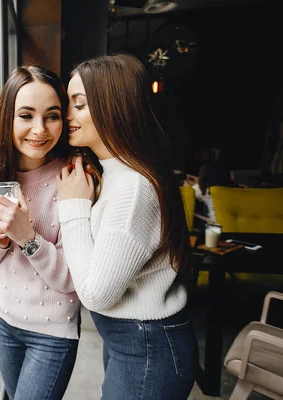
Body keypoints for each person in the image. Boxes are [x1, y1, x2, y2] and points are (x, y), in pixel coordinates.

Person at [56, 53, 198, 400]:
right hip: (135, 343)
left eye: (79, 105)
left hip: (147, 349)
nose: (67, 115)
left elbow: (96, 294)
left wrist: (73, 207)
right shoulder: (119, 174)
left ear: (112, 107)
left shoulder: (132, 188)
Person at [0, 65, 81, 400]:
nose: (39, 129)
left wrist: (26, 237)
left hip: (53, 330)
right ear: (8, 118)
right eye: (25, 115)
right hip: (3, 318)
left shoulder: (73, 174)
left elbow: (71, 280)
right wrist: (0, 241)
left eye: (51, 116)